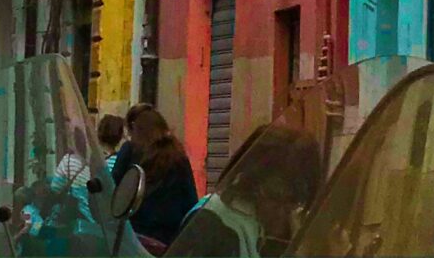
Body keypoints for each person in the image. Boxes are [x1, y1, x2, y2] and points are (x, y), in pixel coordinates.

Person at [164, 124, 323, 258]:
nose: (284, 212)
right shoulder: (211, 223)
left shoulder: (260, 226)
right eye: (277, 195)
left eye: (295, 201)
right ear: (255, 181)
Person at [122, 105, 198, 254]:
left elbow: (114, 195)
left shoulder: (130, 151)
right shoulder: (178, 156)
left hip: (132, 239)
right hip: (167, 243)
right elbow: (191, 204)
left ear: (134, 129)